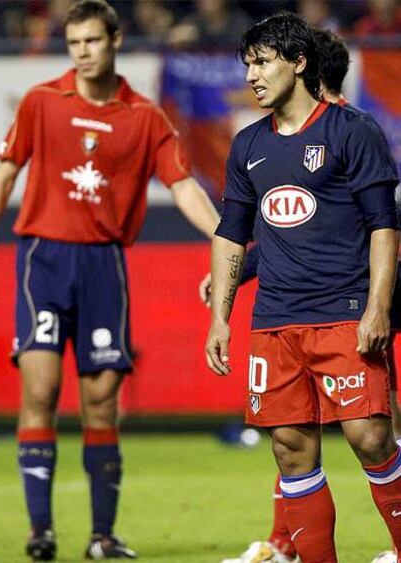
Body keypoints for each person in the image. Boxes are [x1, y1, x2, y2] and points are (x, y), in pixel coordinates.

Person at [0, 1, 220, 561]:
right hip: (44, 259)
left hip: (104, 265)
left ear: (115, 40)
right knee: (39, 391)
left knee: (101, 400)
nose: (84, 52)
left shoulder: (143, 117)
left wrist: (222, 239)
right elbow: (5, 174)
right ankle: (39, 530)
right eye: (75, 43)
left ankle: (102, 536)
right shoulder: (42, 101)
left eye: (93, 41)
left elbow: (182, 184)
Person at [206, 12, 401, 563]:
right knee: (291, 451)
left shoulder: (352, 132)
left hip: (343, 313)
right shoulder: (247, 146)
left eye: (263, 62)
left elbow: (385, 227)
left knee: (370, 439)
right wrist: (221, 317)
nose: (253, 75)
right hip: (274, 323)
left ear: (299, 62)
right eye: (248, 64)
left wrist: (378, 308)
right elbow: (231, 235)